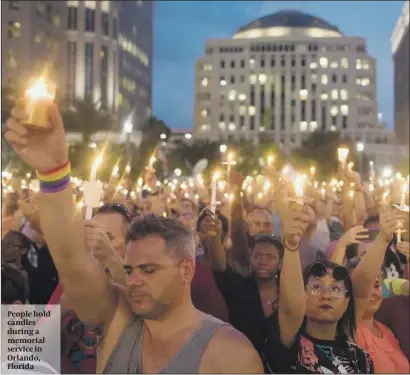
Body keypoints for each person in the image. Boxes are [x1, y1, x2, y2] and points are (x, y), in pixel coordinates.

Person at [5, 98, 264, 374]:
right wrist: (52, 172)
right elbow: (72, 261)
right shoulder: (116, 316)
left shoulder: (229, 354)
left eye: (149, 270)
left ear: (186, 269)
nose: (134, 280)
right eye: (129, 269)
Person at [264, 203, 404, 373]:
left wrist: (382, 240)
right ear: (303, 296)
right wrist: (292, 246)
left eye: (336, 289)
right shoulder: (291, 345)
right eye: (316, 287)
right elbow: (291, 309)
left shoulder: (359, 357)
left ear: (346, 303)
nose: (326, 295)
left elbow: (361, 288)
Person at [205, 209, 283, 361]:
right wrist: (214, 237)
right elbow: (219, 267)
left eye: (270, 257)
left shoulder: (288, 294)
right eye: (257, 256)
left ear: (280, 263)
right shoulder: (240, 288)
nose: (262, 261)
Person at [354, 273, 409, 373]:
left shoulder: (386, 330)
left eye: (376, 285)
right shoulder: (349, 331)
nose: (372, 292)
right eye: (363, 287)